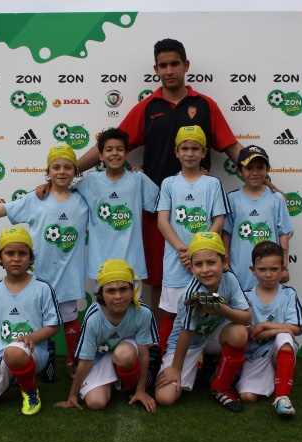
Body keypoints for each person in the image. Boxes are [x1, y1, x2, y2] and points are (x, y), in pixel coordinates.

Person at [36, 38, 244, 323]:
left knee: (204, 274)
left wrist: (260, 174)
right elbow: (105, 147)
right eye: (163, 65)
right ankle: (161, 341)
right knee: (160, 278)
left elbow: (232, 146)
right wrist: (63, 176)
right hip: (157, 208)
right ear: (156, 69)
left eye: (174, 64)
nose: (169, 70)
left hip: (198, 209)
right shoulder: (147, 108)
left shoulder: (206, 106)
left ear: (186, 65)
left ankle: (198, 339)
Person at [0, 145, 88, 379]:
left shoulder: (83, 200)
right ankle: (38, 357)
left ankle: (73, 362)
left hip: (68, 275)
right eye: (56, 167)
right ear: (48, 171)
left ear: (75, 171)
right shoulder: (37, 198)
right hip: (38, 276)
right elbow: (8, 208)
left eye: (67, 167)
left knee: (69, 320)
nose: (62, 171)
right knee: (34, 321)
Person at [0, 226, 62, 415]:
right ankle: (11, 379)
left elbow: (53, 326)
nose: (16, 258)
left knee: (14, 352)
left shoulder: (42, 288)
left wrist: (32, 337)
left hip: (32, 352)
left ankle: (30, 391)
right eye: (10, 253)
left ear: (30, 259)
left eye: (22, 253)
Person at [155, 232, 251, 412]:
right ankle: (205, 366)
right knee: (164, 398)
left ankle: (220, 387)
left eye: (211, 262)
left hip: (214, 335)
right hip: (188, 344)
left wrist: (220, 308)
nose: (205, 269)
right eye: (198, 264)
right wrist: (175, 368)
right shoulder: (191, 294)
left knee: (239, 333)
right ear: (191, 267)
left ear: (224, 261)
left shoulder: (230, 279)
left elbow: (247, 318)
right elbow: (186, 334)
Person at [155, 125, 231, 353]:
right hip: (176, 262)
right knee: (171, 314)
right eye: (185, 148)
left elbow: (219, 220)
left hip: (204, 262)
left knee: (204, 312)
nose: (190, 153)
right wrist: (183, 249)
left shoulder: (212, 184)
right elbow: (162, 222)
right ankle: (162, 358)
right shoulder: (169, 183)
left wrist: (198, 252)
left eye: (195, 148)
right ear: (176, 152)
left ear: (204, 152)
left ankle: (200, 359)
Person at [54, 259, 159, 412]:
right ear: (101, 293)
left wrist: (141, 390)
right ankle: (110, 379)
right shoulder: (94, 317)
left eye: (123, 289)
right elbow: (86, 361)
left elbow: (143, 354)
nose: (118, 296)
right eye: (111, 291)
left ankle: (130, 388)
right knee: (96, 403)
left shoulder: (143, 312)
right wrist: (72, 396)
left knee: (124, 354)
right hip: (99, 358)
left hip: (125, 352)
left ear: (133, 289)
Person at [72, 127, 159, 283]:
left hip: (132, 265)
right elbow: (63, 192)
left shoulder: (138, 179)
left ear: (127, 154)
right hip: (101, 265)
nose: (114, 153)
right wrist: (48, 184)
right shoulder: (91, 181)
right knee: (105, 300)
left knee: (132, 300)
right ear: (100, 155)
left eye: (119, 149)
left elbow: (164, 204)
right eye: (109, 149)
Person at [237, 241, 302, 416]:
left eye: (274, 269)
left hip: (278, 350)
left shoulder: (289, 294)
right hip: (255, 354)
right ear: (253, 270)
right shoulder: (245, 296)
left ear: (282, 269)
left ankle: (282, 397)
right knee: (247, 397)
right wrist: (277, 329)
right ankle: (280, 373)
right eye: (262, 269)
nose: (268, 274)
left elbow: (295, 328)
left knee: (285, 338)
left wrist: (264, 325)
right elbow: (250, 334)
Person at [222, 145, 293, 290]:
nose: (255, 173)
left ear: (268, 169)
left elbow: (283, 232)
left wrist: (284, 265)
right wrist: (225, 261)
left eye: (260, 167)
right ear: (239, 171)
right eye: (249, 168)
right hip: (239, 271)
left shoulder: (277, 198)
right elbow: (227, 233)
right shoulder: (232, 199)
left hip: (269, 272)